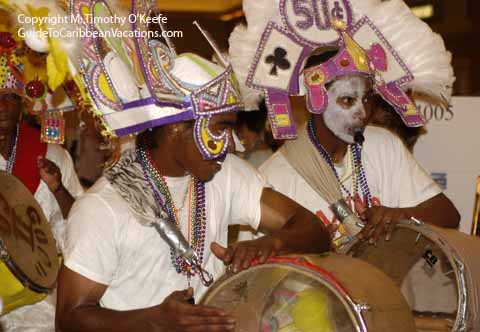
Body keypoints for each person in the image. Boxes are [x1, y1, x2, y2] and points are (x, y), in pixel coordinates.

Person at [55, 3, 330, 330]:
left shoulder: (225, 174)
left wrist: (270, 244)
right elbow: (69, 318)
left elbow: (313, 230)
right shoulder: (103, 207)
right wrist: (154, 321)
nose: (232, 143)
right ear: (175, 128)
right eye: (221, 127)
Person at [229, 0, 460, 246]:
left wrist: (402, 216)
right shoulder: (273, 179)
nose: (363, 111)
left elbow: (449, 214)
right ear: (317, 100)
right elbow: (261, 273)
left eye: (368, 99)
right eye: (348, 100)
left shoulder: (383, 147)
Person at [0, 4, 83, 331]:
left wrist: (58, 188)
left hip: (38, 301)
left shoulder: (52, 154)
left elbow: (80, 222)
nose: (2, 107)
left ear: (24, 103)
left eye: (9, 97)